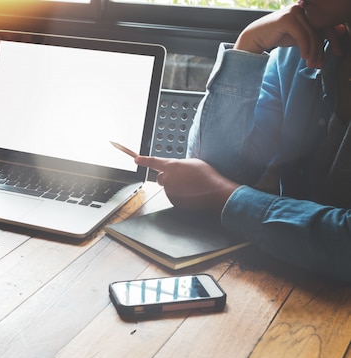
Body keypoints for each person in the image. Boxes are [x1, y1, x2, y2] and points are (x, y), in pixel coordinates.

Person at [135, 0, 351, 280]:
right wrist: (249, 43)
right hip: (285, 283)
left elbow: (212, 186)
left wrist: (220, 193)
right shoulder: (295, 54)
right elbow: (212, 172)